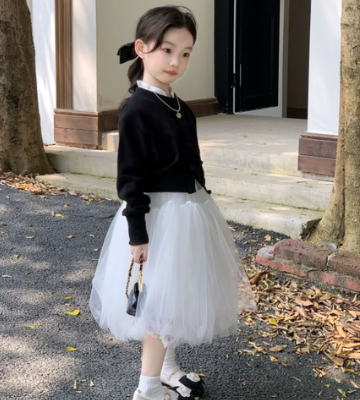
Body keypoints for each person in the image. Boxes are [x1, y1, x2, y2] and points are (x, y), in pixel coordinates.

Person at [89, 6, 256, 400]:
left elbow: (192, 161)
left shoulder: (178, 104)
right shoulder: (137, 109)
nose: (176, 62)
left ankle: (166, 368)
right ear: (142, 48)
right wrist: (137, 233)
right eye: (167, 50)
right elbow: (130, 179)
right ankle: (147, 389)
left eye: (185, 53)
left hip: (189, 212)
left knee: (176, 296)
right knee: (159, 306)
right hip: (158, 218)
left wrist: (202, 200)